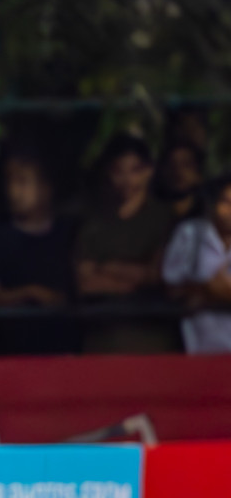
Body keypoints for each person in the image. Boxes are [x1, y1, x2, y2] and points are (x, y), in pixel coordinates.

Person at [73, 134, 177, 353]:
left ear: (149, 171)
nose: (127, 179)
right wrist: (135, 281)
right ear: (108, 173)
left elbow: (157, 275)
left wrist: (107, 267)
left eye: (135, 170)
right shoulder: (94, 221)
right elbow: (85, 283)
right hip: (101, 343)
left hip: (152, 343)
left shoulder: (165, 218)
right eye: (118, 170)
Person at [0, 151, 76, 355]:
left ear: (47, 188)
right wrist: (32, 293)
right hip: (3, 357)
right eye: (9, 180)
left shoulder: (69, 234)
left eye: (22, 181)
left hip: (63, 355)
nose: (12, 191)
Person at [163, 176, 231, 354]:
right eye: (226, 201)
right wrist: (205, 289)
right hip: (199, 346)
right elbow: (171, 286)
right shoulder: (190, 233)